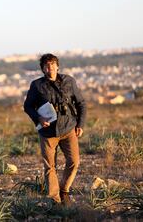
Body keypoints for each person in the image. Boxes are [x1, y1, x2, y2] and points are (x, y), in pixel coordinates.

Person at [23, 53, 86, 205]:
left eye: (52, 64)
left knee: (74, 162)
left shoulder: (69, 81)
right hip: (48, 133)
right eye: (46, 65)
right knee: (50, 167)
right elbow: (28, 106)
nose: (49, 67)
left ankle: (64, 190)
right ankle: (55, 200)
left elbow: (81, 103)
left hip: (68, 128)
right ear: (43, 69)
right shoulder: (36, 86)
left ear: (57, 66)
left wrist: (80, 124)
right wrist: (38, 118)